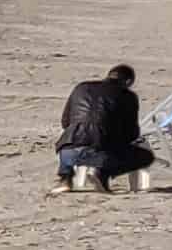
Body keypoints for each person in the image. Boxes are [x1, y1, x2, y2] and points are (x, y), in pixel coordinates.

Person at [56, 63, 157, 193]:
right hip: (102, 151)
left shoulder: (81, 88)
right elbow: (131, 133)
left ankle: (65, 179)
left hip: (67, 151)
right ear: (128, 81)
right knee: (145, 157)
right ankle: (102, 173)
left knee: (72, 142)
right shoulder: (127, 96)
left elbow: (65, 122)